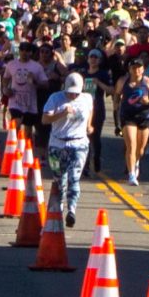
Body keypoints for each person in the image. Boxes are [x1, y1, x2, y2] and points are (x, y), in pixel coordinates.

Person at [44, 69, 96, 229]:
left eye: (76, 93)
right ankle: (57, 210)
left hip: (78, 144)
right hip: (56, 145)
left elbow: (90, 109)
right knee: (60, 180)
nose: (73, 96)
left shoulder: (86, 98)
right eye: (70, 93)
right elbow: (45, 119)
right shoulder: (55, 98)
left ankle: (71, 210)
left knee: (74, 178)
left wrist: (88, 125)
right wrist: (61, 113)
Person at [116, 55, 149, 187]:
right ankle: (131, 174)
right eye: (134, 67)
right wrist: (116, 105)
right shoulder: (123, 81)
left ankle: (136, 162)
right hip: (128, 115)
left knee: (141, 149)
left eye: (139, 68)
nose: (136, 70)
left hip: (145, 116)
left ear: (143, 69)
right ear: (129, 69)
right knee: (131, 145)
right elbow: (117, 93)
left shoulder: (148, 82)